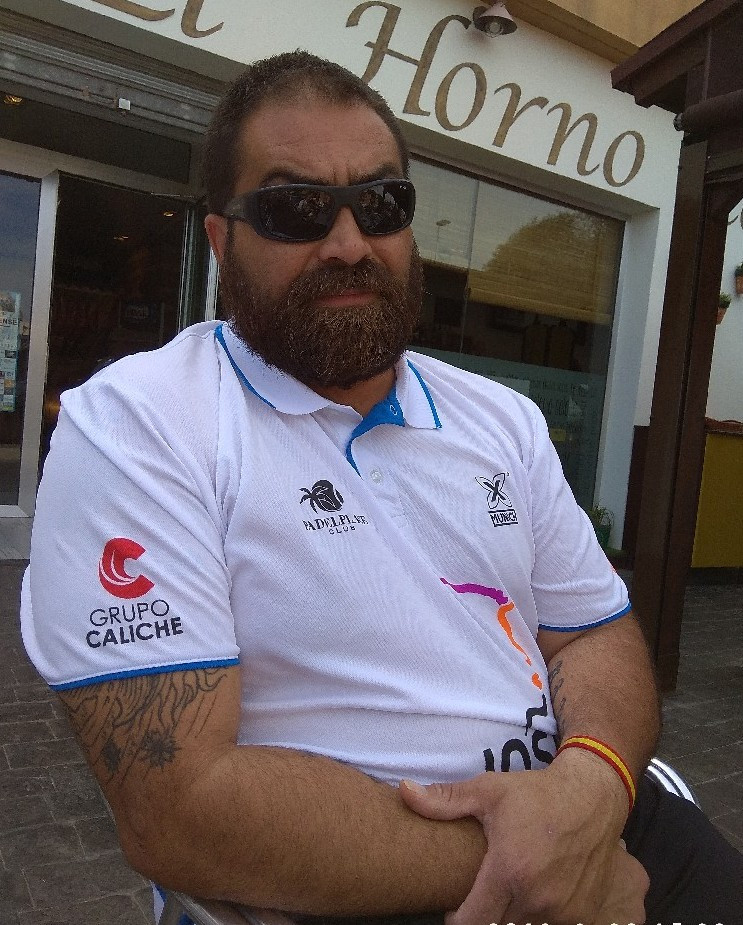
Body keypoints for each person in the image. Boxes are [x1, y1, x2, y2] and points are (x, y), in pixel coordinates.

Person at [20, 51, 742, 925]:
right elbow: (179, 809)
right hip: (365, 882)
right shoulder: (142, 424)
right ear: (219, 241)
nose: (348, 243)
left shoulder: (500, 419)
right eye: (294, 209)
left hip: (592, 813)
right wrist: (538, 861)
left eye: (381, 203)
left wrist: (592, 780)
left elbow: (593, 632)